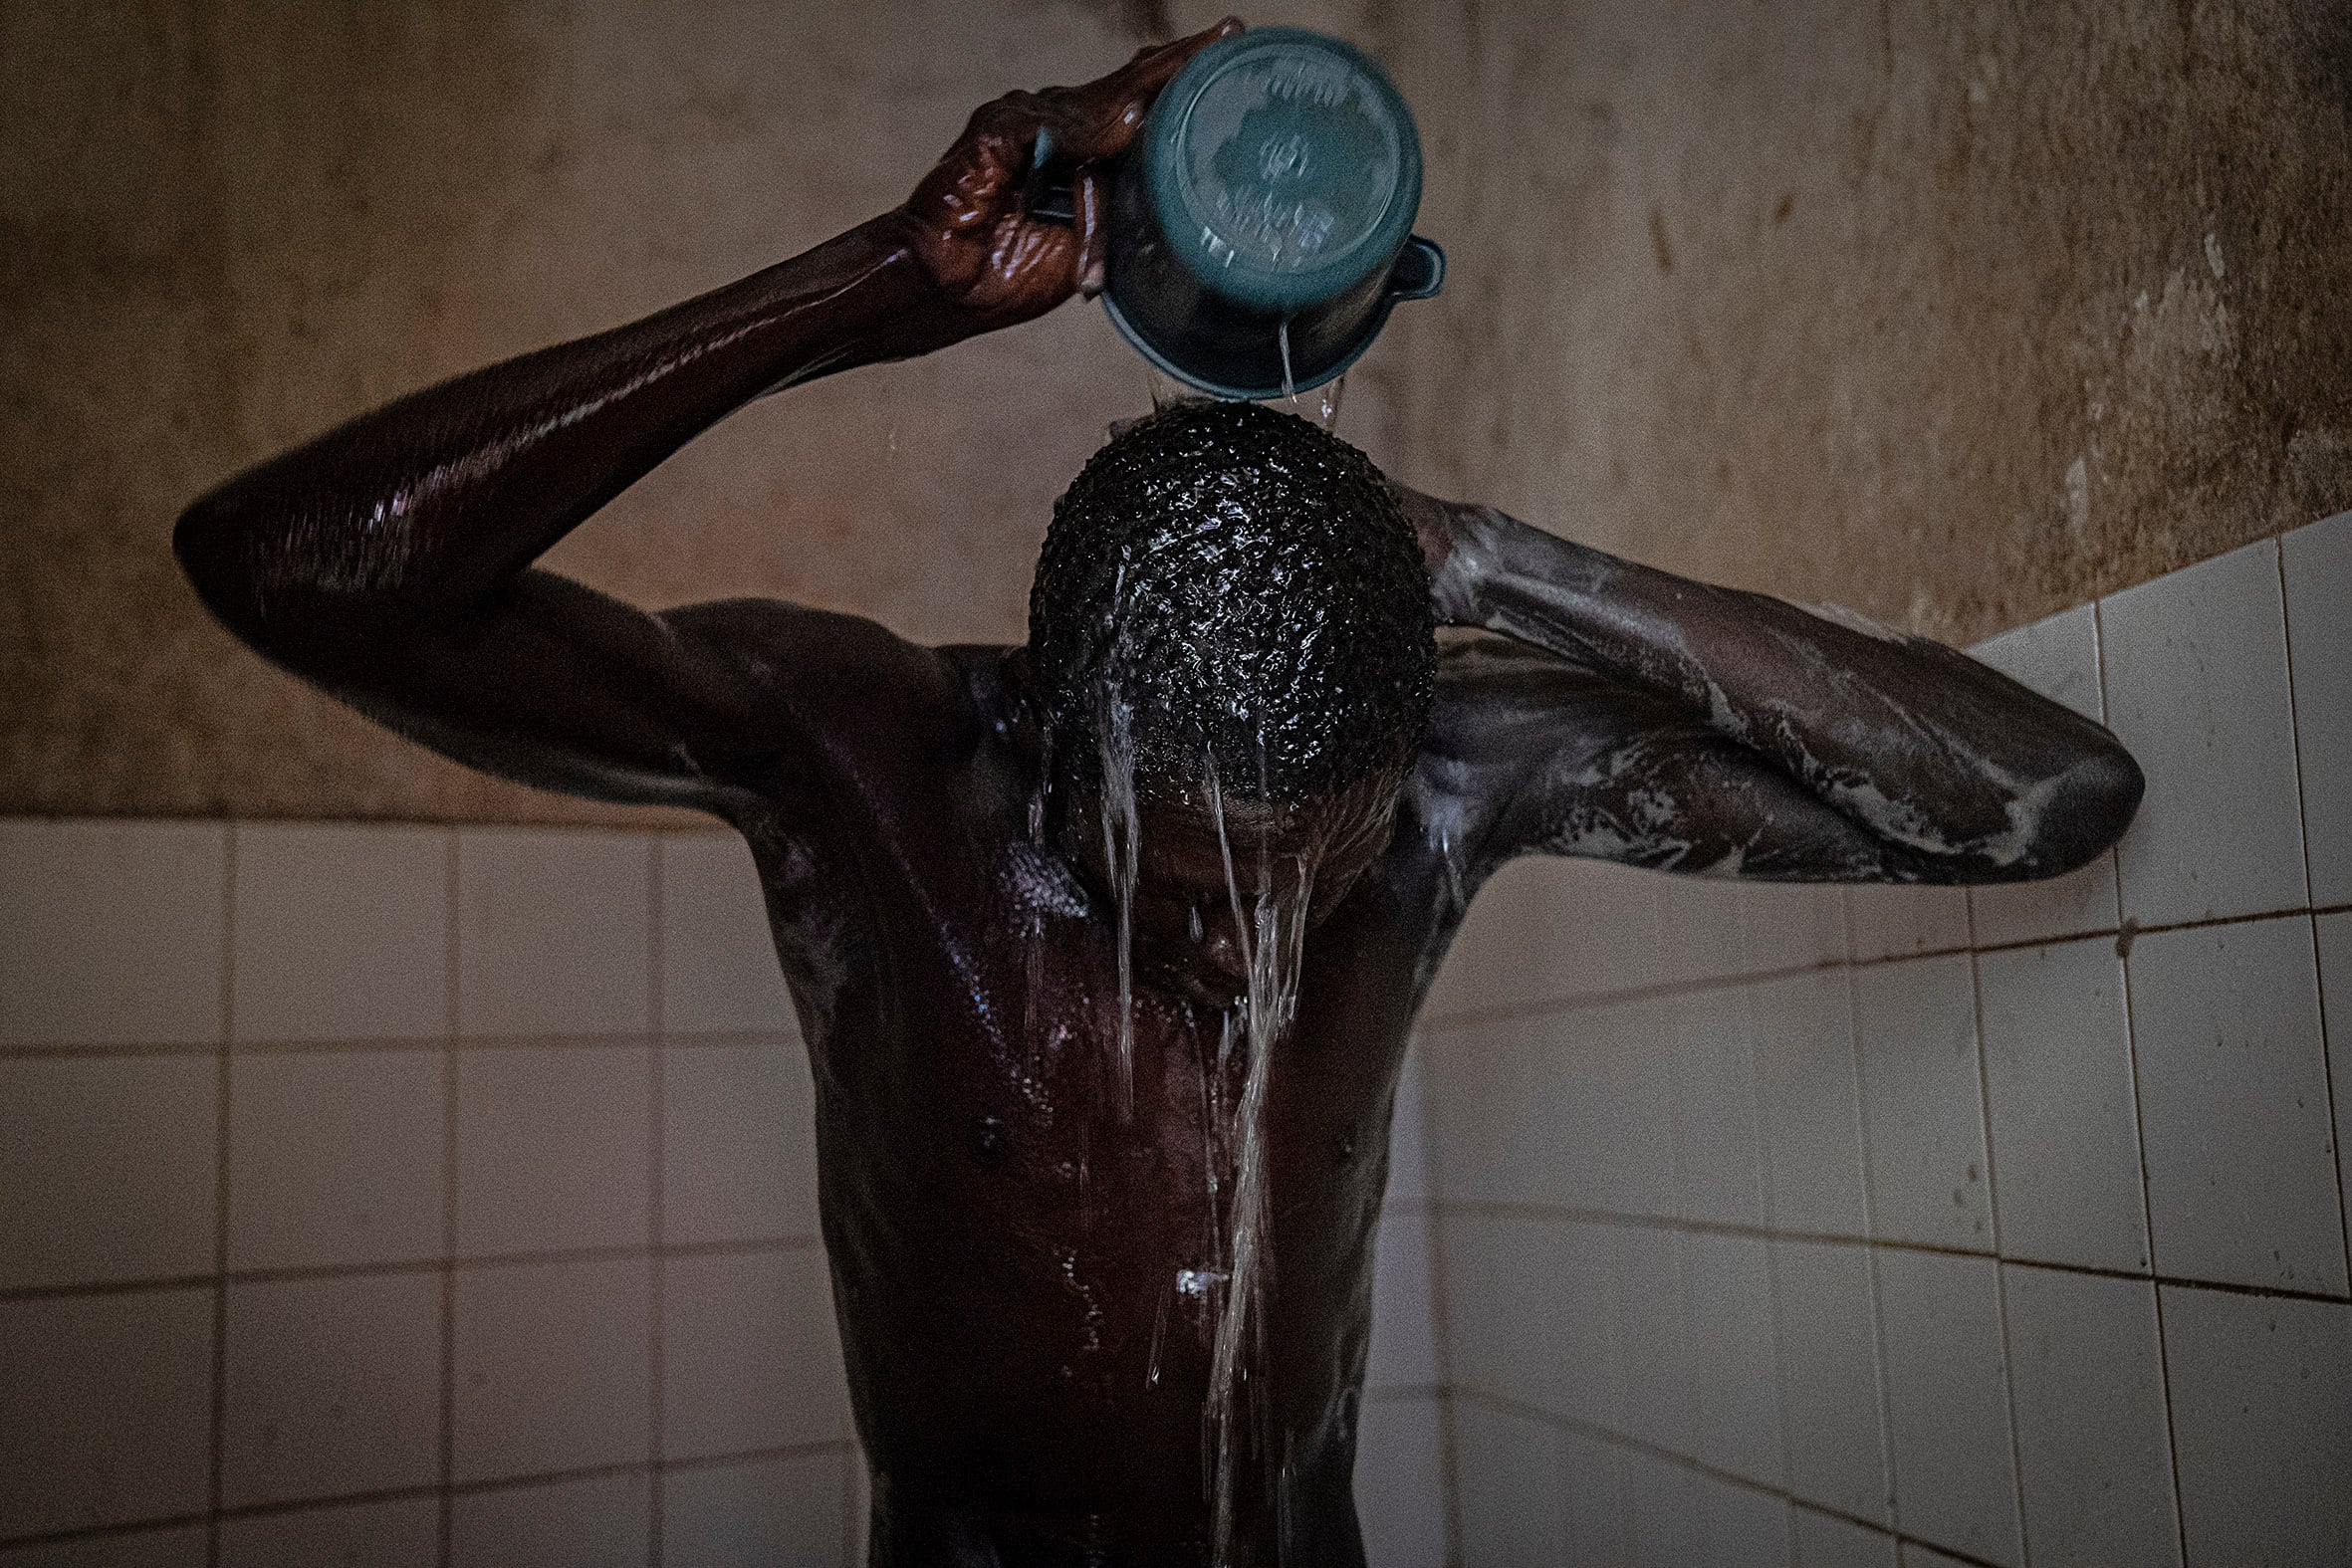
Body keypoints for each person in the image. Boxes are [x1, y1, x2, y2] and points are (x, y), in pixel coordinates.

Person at [174, 22, 2142, 1565]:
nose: (1257, 947)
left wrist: (1493, 560)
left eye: (1319, 876)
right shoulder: (866, 773)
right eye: (1194, 892)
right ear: (1041, 735)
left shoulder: (1444, 778)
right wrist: (872, 286)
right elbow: (294, 567)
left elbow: (2041, 795)